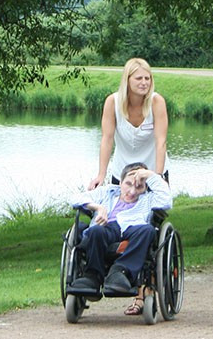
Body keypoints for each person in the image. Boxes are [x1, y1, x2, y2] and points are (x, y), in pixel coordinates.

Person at [67, 162, 172, 313]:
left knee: (148, 230)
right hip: (108, 227)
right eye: (128, 184)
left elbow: (166, 201)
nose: (132, 191)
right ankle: (92, 276)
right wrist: (98, 208)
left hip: (134, 229)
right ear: (120, 182)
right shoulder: (108, 192)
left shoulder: (149, 198)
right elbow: (75, 198)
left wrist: (150, 175)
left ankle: (121, 272)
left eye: (139, 186)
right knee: (95, 231)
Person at [88, 57, 169, 190]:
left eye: (147, 78)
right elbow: (107, 140)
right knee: (118, 210)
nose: (144, 83)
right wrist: (101, 175)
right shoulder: (112, 102)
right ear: (127, 80)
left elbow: (161, 141)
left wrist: (158, 177)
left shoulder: (157, 102)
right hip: (121, 172)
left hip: (152, 170)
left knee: (155, 210)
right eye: (139, 78)